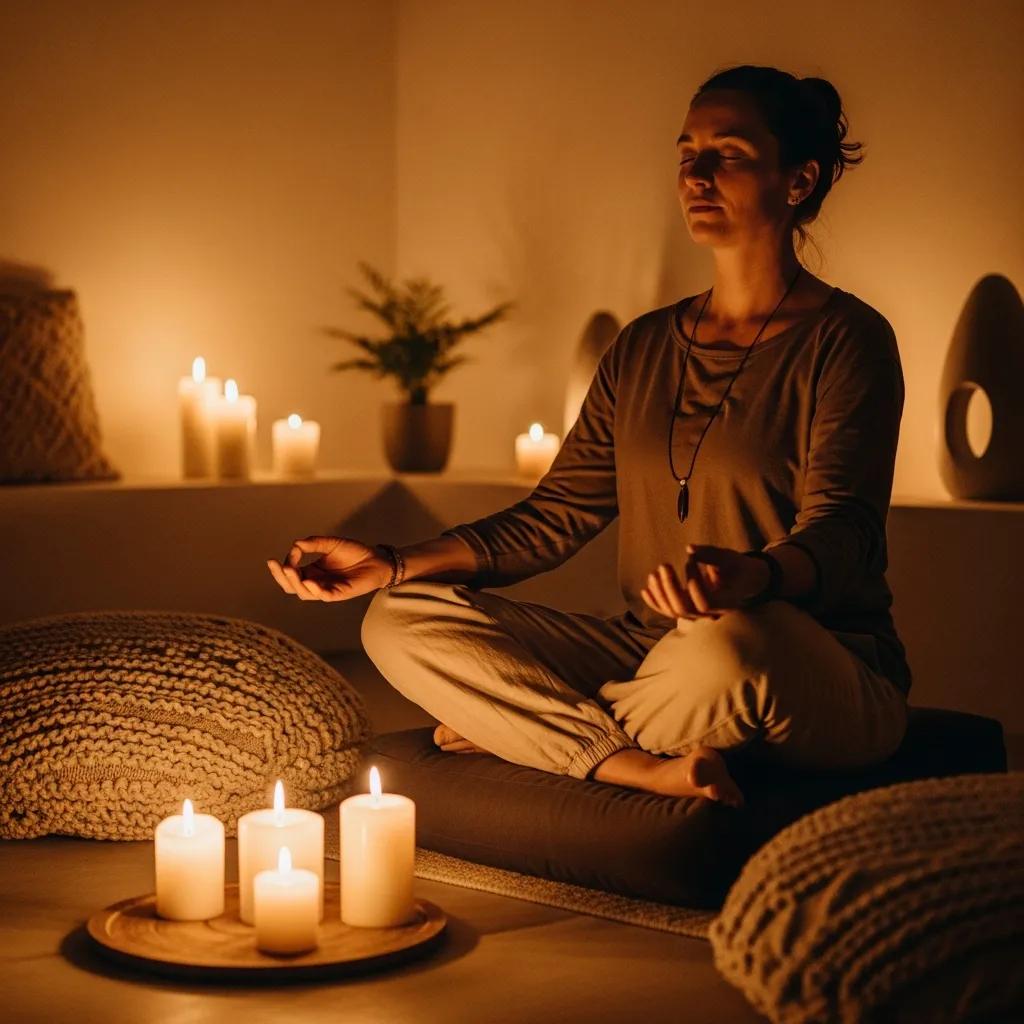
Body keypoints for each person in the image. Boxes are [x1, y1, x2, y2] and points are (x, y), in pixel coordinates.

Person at [267, 64, 911, 809]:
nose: (696, 175)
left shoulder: (848, 339)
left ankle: (526, 731)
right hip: (652, 657)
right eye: (686, 154)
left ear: (798, 181)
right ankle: (632, 762)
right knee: (398, 618)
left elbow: (844, 531)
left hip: (799, 657)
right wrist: (392, 562)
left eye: (727, 154)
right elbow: (556, 515)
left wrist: (754, 579)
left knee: (735, 645)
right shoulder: (642, 346)